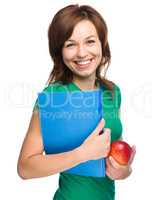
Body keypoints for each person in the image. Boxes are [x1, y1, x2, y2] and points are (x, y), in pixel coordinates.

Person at [17, 4, 136, 200]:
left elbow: (114, 151)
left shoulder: (112, 92)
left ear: (102, 44)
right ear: (60, 52)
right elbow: (25, 167)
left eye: (90, 41)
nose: (81, 53)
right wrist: (81, 154)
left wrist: (124, 171)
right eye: (70, 44)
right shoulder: (52, 98)